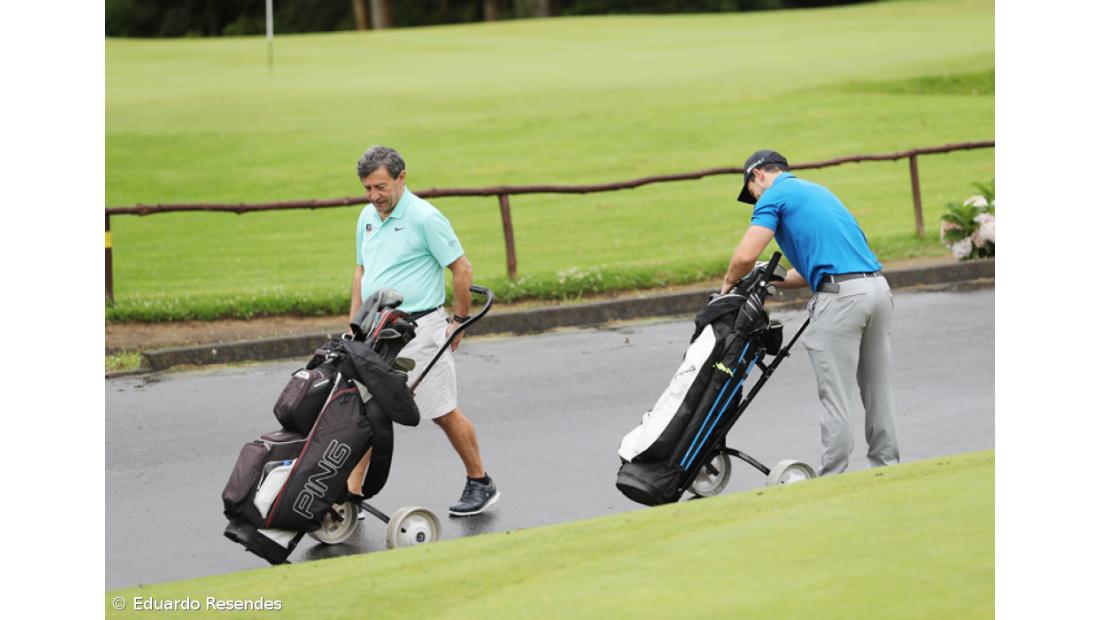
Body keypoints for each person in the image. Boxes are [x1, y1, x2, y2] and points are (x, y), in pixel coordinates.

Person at [720, 149, 899, 476]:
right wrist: (776, 276)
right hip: (877, 290)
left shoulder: (773, 196)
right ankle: (887, 468)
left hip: (842, 300)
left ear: (758, 174)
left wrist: (727, 284)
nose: (754, 197)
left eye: (751, 191)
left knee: (836, 396)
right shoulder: (819, 192)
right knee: (878, 390)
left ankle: (833, 477)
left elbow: (745, 255)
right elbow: (813, 270)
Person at [345, 145, 500, 516]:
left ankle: (480, 482)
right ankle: (349, 494)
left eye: (381, 187)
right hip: (375, 328)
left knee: (442, 410)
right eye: (368, 188)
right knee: (366, 409)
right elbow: (361, 273)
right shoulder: (367, 216)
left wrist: (458, 321)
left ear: (401, 178)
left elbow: (462, 269)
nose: (374, 196)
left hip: (420, 328)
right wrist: (353, 327)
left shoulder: (425, 217)